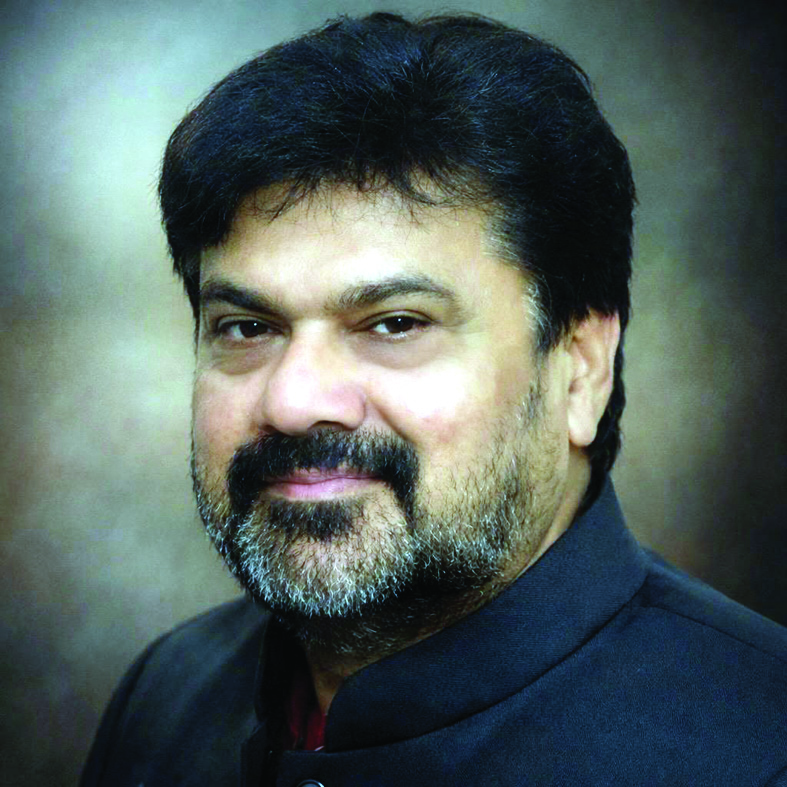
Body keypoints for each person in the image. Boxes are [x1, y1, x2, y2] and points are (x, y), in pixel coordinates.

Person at [80, 12, 787, 787]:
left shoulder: (761, 748)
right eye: (247, 327)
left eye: (395, 323)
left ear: (581, 369)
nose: (293, 400)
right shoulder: (165, 697)